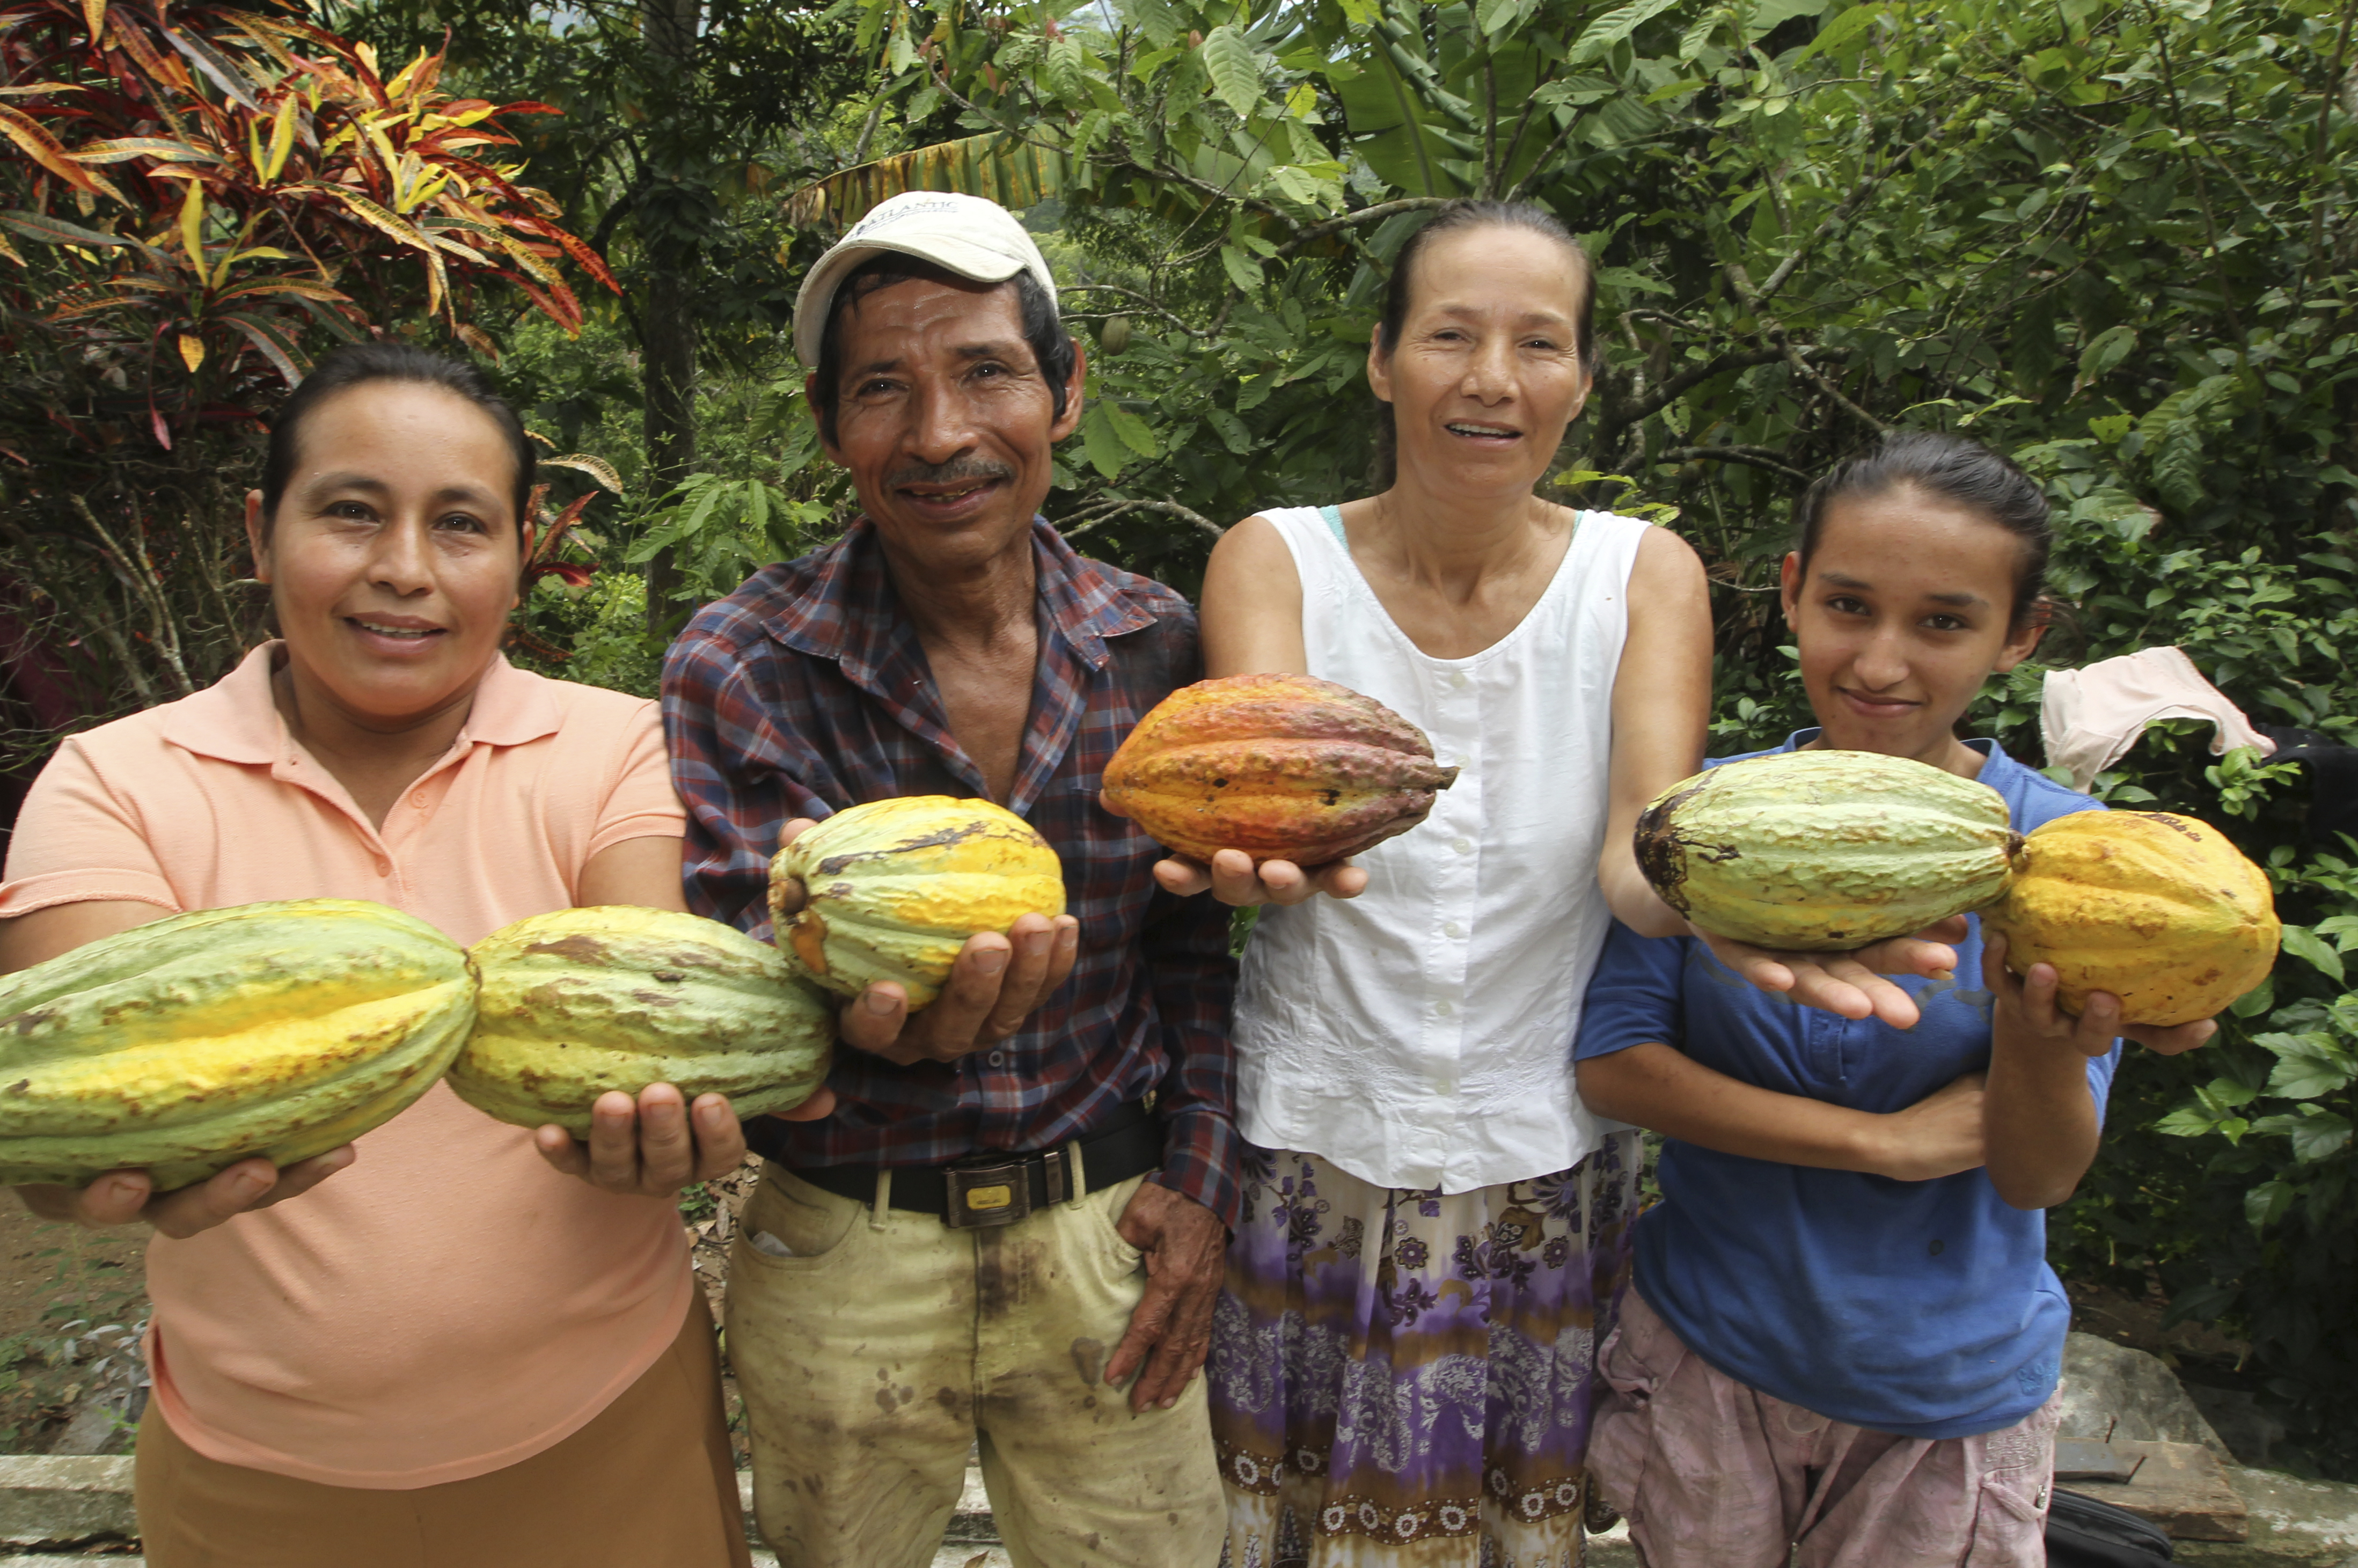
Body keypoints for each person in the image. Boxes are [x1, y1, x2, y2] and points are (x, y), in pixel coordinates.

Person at [0, 344, 800, 1566]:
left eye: (460, 524)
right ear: (263, 533)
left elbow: (652, 1001)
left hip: (609, 1438)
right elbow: (88, 1076)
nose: (404, 571)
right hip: (253, 1480)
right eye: (352, 512)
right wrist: (63, 1152)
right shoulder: (116, 781)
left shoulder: (619, 749)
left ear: (525, 551)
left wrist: (673, 1114)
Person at [663, 190, 1236, 1567]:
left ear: (1066, 387)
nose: (939, 435)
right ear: (827, 427)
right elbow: (759, 985)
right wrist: (874, 1031)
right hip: (845, 1250)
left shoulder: (1161, 646)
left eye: (986, 370)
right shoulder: (745, 663)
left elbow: (1198, 958)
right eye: (883, 390)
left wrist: (1204, 1178)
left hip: (1109, 1231)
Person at [1572, 431, 2220, 1568]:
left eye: (1943, 623)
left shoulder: (2072, 858)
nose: (1879, 661)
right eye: (1849, 605)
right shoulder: (1708, 822)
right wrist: (1885, 1144)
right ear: (1791, 593)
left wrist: (2035, 1026)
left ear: (2021, 637)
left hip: (1947, 1398)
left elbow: (2036, 1172)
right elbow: (1616, 1066)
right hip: (1706, 1358)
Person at [1187, 197, 1716, 1568]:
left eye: (1539, 344)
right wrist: (1263, 871)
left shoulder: (1644, 578)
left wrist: (1733, 904)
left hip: (1536, 1164)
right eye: (1451, 336)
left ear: (1583, 381)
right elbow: (1263, 788)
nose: (1494, 378)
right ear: (1381, 362)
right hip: (1312, 1147)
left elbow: (1641, 853)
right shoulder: (1274, 559)